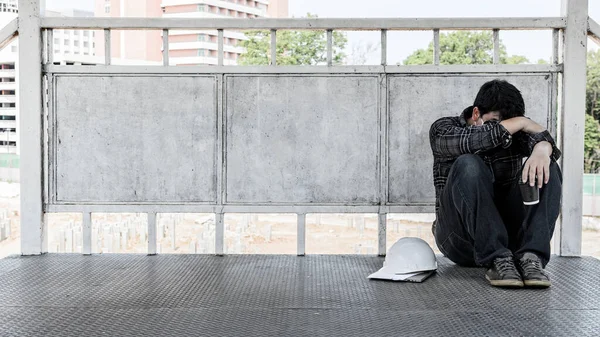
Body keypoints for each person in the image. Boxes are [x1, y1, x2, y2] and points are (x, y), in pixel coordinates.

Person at [429, 79, 562, 288]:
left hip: (508, 236)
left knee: (548, 166)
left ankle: (531, 258)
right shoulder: (443, 128)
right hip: (458, 239)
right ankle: (496, 258)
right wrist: (520, 123)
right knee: (468, 163)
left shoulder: (516, 133)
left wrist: (543, 149)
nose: (509, 130)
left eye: (513, 123)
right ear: (476, 114)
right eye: (498, 123)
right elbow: (472, 141)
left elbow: (543, 143)